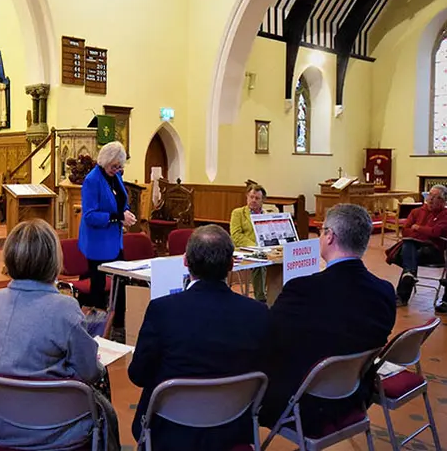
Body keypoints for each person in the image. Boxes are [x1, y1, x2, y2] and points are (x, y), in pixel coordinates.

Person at [0, 219, 121, 451]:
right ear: (53, 259)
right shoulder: (64, 307)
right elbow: (89, 371)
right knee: (104, 402)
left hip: (2, 422)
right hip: (55, 428)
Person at [129, 225, 269, 451]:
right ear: (232, 264)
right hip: (233, 429)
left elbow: (138, 374)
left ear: (185, 261)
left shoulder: (162, 310)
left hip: (170, 431)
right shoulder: (258, 313)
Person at [259, 204, 395, 435]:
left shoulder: (302, 289)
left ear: (330, 236)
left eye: (322, 231)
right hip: (354, 397)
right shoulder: (385, 291)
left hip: (304, 405)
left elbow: (269, 336)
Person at [78, 141, 137, 323]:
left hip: (114, 241)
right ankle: (98, 327)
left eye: (120, 166)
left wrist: (125, 211)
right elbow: (89, 216)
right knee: (99, 286)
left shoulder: (116, 177)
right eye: (114, 166)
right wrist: (118, 217)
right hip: (97, 242)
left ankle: (119, 324)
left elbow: (120, 200)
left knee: (121, 282)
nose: (117, 169)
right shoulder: (92, 180)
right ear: (105, 161)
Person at [388, 185, 447, 306]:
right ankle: (409, 274)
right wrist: (425, 232)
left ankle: (403, 293)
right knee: (410, 246)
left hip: (433, 250)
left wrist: (418, 228)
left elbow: (436, 233)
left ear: (443, 201)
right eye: (430, 195)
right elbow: (405, 231)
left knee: (409, 249)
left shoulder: (446, 214)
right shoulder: (416, 212)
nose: (431, 199)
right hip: (415, 249)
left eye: (436, 197)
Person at [230, 183, 268, 302]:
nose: (253, 200)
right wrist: (256, 247)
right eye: (251, 197)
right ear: (247, 197)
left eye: (257, 198)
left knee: (282, 261)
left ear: (263, 200)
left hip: (265, 248)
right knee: (260, 263)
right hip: (244, 250)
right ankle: (261, 299)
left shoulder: (267, 215)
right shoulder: (238, 213)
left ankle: (276, 294)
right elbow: (236, 235)